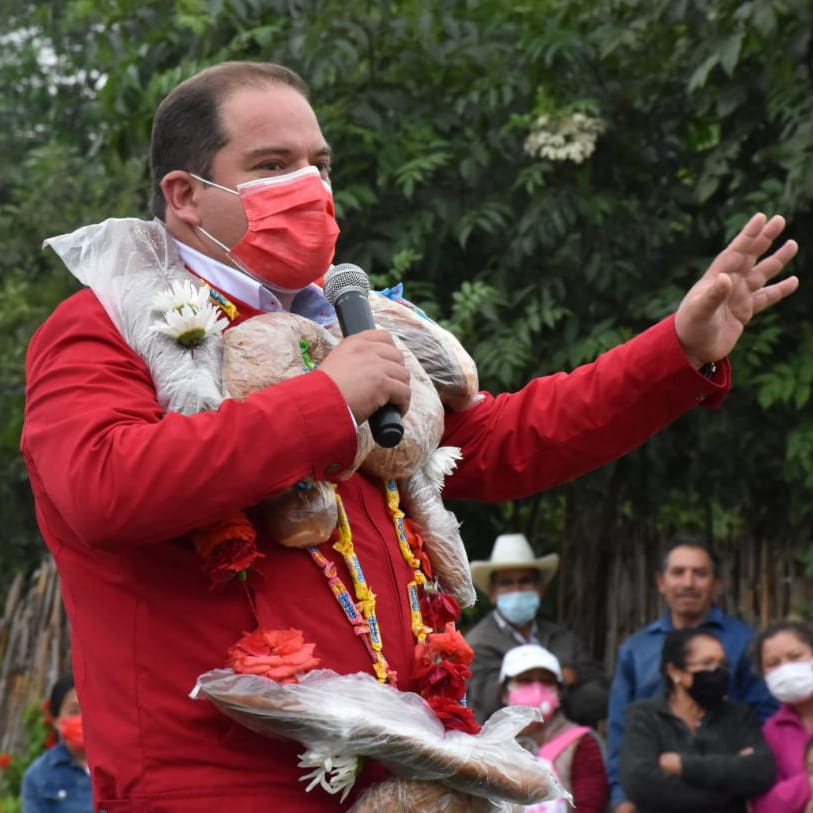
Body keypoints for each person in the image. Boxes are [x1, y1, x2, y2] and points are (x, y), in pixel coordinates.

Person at [20, 59, 799, 811]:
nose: (310, 185)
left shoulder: (349, 328)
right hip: (213, 787)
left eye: (320, 163)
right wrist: (326, 401)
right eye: (273, 164)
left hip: (398, 781)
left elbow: (506, 438)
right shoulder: (103, 327)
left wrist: (677, 349)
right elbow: (104, 487)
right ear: (185, 194)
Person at [607, 535, 778, 812]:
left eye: (700, 573)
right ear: (661, 582)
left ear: (716, 583)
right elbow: (619, 730)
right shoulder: (636, 650)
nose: (688, 583)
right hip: (655, 798)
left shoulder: (746, 643)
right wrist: (622, 798)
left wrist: (742, 776)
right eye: (678, 572)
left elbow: (767, 722)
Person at [619, 627, 775, 813]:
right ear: (675, 671)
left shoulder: (739, 716)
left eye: (722, 664)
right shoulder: (645, 716)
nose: (717, 671)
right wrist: (731, 787)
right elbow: (641, 784)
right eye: (707, 663)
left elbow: (761, 772)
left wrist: (683, 765)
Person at [466, 533, 609, 727]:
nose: (517, 590)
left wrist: (525, 687)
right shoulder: (477, 645)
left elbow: (601, 695)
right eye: (507, 583)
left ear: (540, 588)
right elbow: (491, 702)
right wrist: (559, 680)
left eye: (525, 581)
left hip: (567, 743)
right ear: (492, 592)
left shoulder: (564, 639)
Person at [500, 644, 608, 812]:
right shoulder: (488, 744)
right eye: (525, 680)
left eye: (546, 681)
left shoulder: (581, 743)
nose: (537, 688)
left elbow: (589, 807)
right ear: (504, 692)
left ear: (559, 692)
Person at [751, 620, 813, 813]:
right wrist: (808, 783)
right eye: (773, 664)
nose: (786, 669)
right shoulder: (771, 732)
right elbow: (764, 805)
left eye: (795, 657)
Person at [21, 672, 93, 813]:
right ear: (57, 721)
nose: (83, 718)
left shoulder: (121, 766)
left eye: (89, 709)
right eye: (74, 711)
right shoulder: (39, 776)